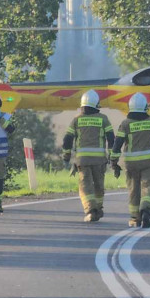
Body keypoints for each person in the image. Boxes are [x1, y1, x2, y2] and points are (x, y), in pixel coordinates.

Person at [62, 90, 115, 222]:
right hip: (99, 160)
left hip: (83, 160)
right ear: (96, 104)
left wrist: (66, 156)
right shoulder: (103, 119)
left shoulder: (77, 120)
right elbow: (111, 138)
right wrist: (112, 156)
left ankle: (90, 210)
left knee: (85, 186)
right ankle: (99, 209)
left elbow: (67, 139)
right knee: (98, 185)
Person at [110, 93, 150, 228]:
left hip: (131, 163)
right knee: (149, 186)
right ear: (144, 107)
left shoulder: (125, 124)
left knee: (133, 189)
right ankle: (146, 211)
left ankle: (135, 219)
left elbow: (117, 144)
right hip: (148, 162)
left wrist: (113, 162)